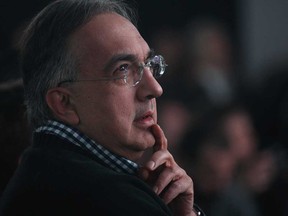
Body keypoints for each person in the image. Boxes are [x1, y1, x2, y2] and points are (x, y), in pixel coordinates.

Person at [0, 0, 205, 215]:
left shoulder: (39, 173)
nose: (155, 88)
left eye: (149, 64)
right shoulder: (114, 198)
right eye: (123, 70)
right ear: (64, 103)